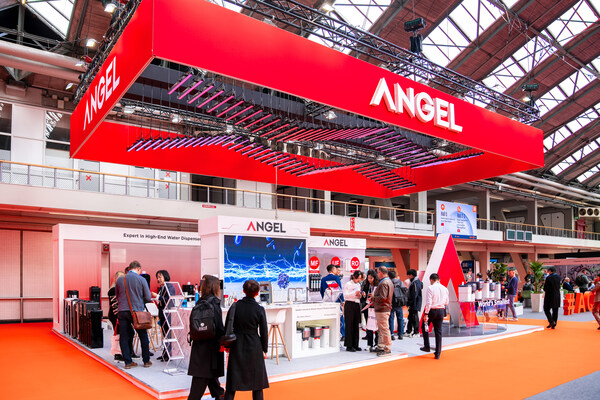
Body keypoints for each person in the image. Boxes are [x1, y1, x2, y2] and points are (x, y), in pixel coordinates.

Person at [224, 280, 269, 400]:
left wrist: (227, 345)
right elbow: (264, 331)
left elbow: (227, 325)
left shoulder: (235, 306)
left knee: (232, 384)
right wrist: (265, 349)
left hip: (236, 344)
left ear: (243, 291)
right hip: (254, 345)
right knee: (257, 384)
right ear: (257, 293)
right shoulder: (259, 309)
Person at [187, 275, 225, 400]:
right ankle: (220, 394)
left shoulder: (199, 302)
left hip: (199, 345)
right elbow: (219, 327)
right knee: (200, 383)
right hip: (211, 348)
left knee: (208, 376)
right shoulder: (215, 303)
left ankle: (220, 394)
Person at [115, 260, 152, 369]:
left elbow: (117, 295)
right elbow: (148, 297)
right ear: (138, 269)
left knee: (124, 336)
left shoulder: (120, 279)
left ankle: (128, 362)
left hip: (122, 311)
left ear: (130, 268)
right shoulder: (141, 279)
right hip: (137, 312)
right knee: (143, 335)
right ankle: (146, 361)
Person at [420, 273, 449, 360]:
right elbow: (446, 302)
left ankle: (427, 346)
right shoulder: (445, 288)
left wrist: (426, 313)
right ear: (439, 280)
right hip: (441, 310)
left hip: (432, 310)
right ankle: (438, 353)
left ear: (431, 280)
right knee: (438, 331)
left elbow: (428, 302)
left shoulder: (430, 288)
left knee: (424, 327)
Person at [372, 266, 393, 357]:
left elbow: (383, 297)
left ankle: (387, 348)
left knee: (384, 329)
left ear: (380, 272)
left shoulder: (384, 283)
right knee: (381, 329)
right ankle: (380, 346)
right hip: (383, 308)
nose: (377, 274)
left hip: (382, 309)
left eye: (378, 272)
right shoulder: (388, 281)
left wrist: (373, 298)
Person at [320, 264, 345, 338]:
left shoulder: (323, 279)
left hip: (327, 301)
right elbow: (339, 290)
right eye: (335, 269)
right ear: (333, 270)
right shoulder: (336, 278)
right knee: (340, 318)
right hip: (336, 301)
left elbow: (321, 291)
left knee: (328, 317)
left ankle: (329, 334)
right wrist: (342, 300)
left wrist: (325, 298)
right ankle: (343, 334)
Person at [343, 270, 362, 352]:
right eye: (358, 278)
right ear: (354, 277)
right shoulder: (348, 284)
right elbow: (345, 295)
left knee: (356, 325)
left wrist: (361, 295)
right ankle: (349, 345)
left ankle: (355, 344)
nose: (359, 280)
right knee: (349, 324)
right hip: (349, 304)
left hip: (357, 304)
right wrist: (354, 294)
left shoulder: (358, 285)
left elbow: (358, 296)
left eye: (360, 278)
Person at [107, 270, 125, 361]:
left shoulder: (118, 289)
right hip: (115, 315)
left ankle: (120, 353)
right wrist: (118, 317)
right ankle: (117, 354)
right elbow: (115, 305)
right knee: (118, 334)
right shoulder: (113, 290)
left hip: (117, 314)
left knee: (120, 333)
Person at [155, 269, 171, 362]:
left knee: (167, 335)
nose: (158, 279)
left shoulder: (169, 286)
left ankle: (168, 354)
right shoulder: (162, 287)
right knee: (164, 335)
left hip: (167, 314)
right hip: (162, 314)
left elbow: (168, 299)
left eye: (160, 277)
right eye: (157, 277)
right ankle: (164, 353)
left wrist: (158, 297)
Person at [360, 269, 378, 349]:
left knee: (376, 326)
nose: (370, 280)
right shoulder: (366, 284)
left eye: (371, 278)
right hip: (368, 306)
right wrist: (363, 295)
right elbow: (363, 296)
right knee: (369, 325)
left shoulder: (378, 285)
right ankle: (369, 344)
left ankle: (377, 343)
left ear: (374, 277)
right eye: (368, 278)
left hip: (376, 307)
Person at [405, 269, 423, 338]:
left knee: (415, 317)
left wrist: (409, 302)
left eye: (408, 275)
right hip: (414, 302)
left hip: (415, 303)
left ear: (411, 275)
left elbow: (414, 295)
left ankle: (416, 332)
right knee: (410, 317)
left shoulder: (415, 283)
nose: (408, 277)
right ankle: (409, 331)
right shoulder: (415, 282)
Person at [388, 270, 404, 341]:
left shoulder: (389, 283)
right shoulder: (400, 282)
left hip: (391, 303)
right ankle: (400, 334)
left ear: (389, 276)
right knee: (400, 318)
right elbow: (404, 291)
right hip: (399, 303)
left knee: (391, 319)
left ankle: (391, 334)